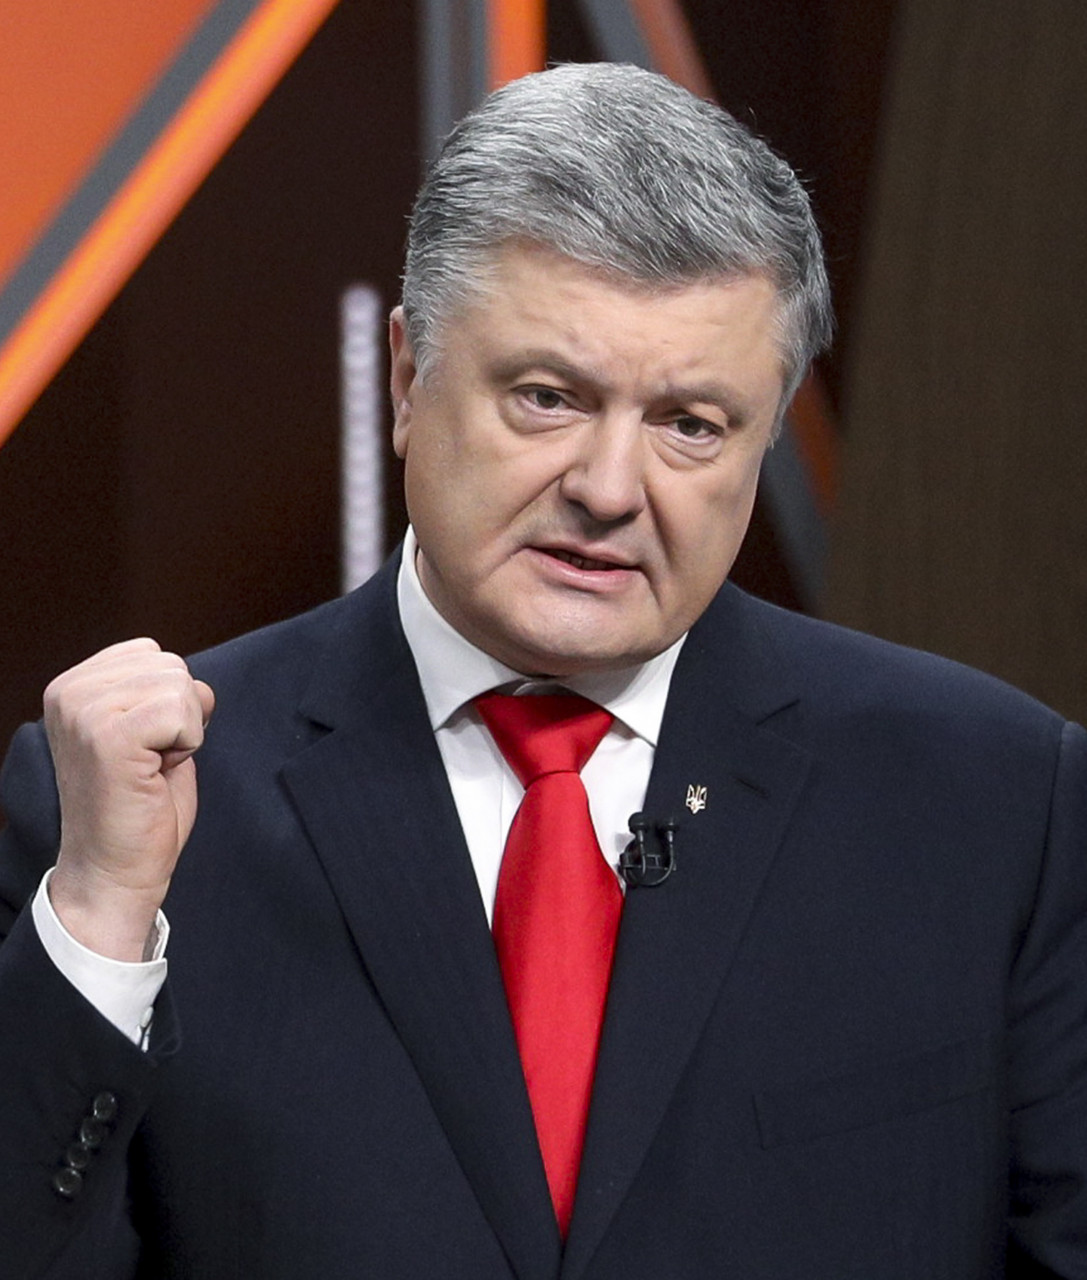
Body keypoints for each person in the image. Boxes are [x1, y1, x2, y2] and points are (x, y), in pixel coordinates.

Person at [1, 61, 1085, 1280]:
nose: (610, 489)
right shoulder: (133, 805)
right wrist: (101, 922)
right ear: (407, 378)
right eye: (548, 397)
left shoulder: (998, 802)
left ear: (766, 431)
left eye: (690, 423)